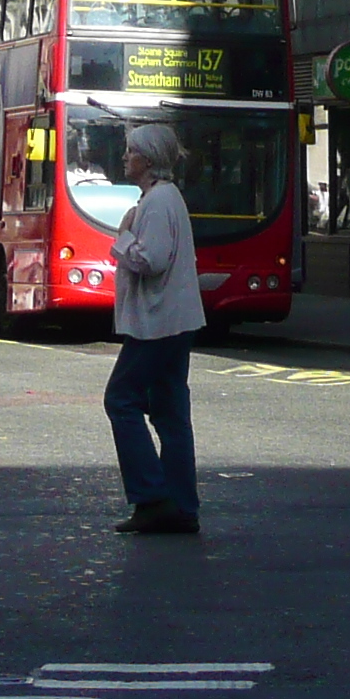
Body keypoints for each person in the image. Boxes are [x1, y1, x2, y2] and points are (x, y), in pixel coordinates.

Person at [104, 122, 206, 536]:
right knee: (169, 413)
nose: (126, 158)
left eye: (131, 152)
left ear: (146, 159)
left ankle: (152, 497)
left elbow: (153, 260)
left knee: (121, 399)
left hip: (158, 324)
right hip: (175, 321)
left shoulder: (158, 201)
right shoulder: (164, 198)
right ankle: (182, 507)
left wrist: (124, 237)